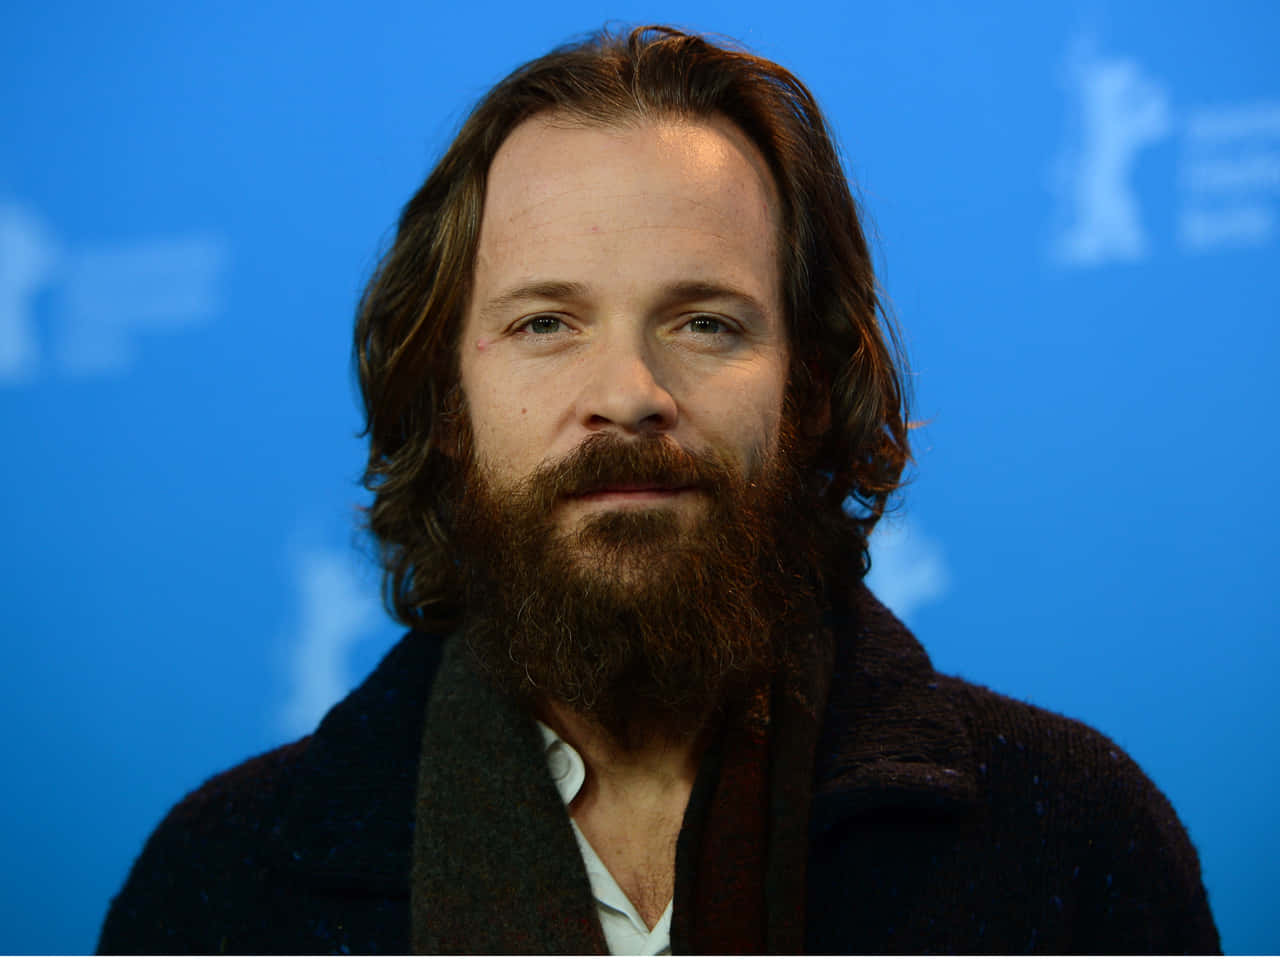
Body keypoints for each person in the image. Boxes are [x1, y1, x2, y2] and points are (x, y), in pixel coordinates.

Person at [97, 25, 1219, 955]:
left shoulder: (1071, 837)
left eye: (703, 324)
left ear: (810, 386)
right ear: (446, 402)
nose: (628, 394)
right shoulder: (218, 884)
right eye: (546, 323)